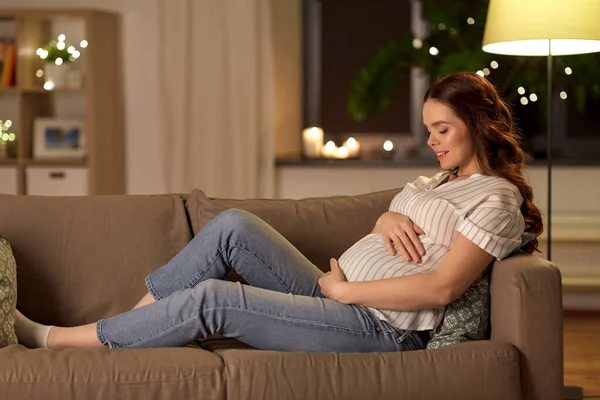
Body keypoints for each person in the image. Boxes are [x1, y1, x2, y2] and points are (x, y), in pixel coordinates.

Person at [14, 72, 543, 353]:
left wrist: (344, 291)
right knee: (233, 226)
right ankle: (134, 326)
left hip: (379, 327)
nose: (431, 142)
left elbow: (441, 288)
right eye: (428, 129)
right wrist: (384, 219)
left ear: (478, 123)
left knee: (214, 298)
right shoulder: (441, 180)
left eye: (442, 130)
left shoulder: (494, 199)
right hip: (335, 294)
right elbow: (401, 231)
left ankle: (56, 339)